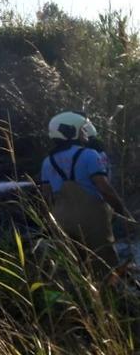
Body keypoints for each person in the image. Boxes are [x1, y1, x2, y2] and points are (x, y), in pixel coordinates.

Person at [40, 111, 131, 272]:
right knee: (104, 265)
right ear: (71, 131)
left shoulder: (48, 161)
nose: (85, 133)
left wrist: (47, 224)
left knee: (77, 266)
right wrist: (121, 210)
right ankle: (110, 288)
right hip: (92, 219)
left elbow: (46, 196)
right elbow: (104, 188)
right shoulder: (89, 155)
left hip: (61, 219)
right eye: (82, 129)